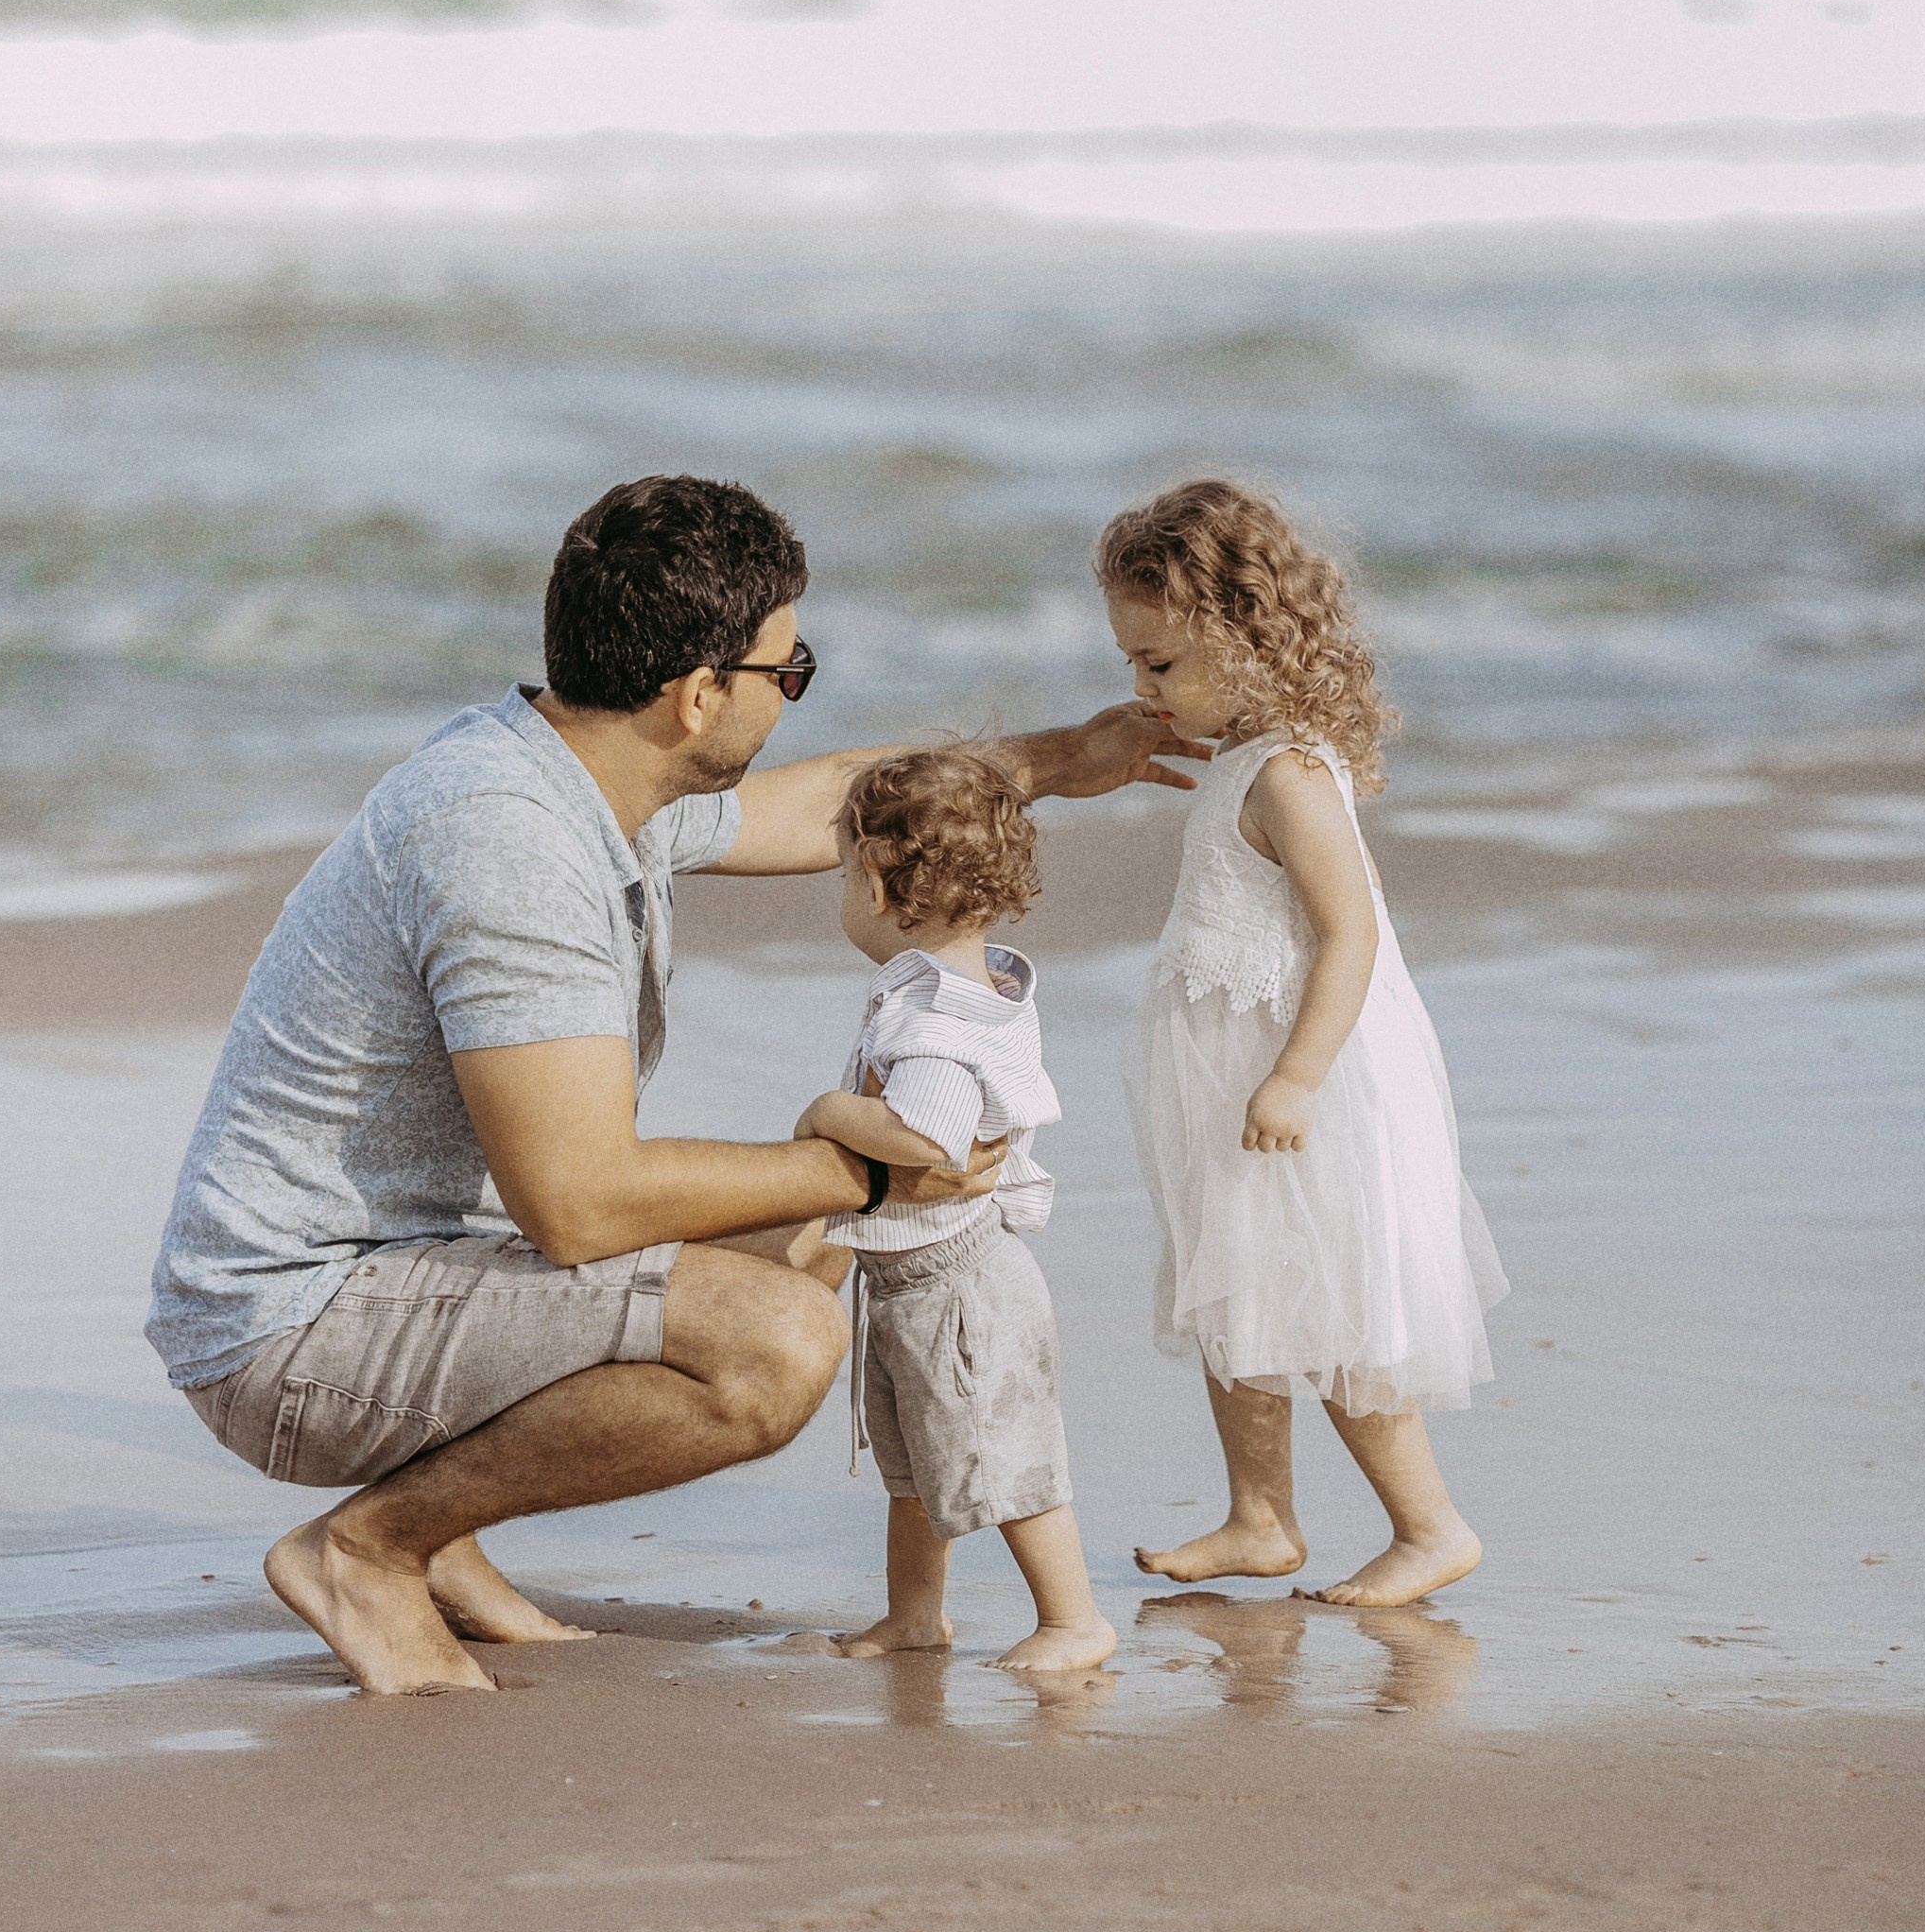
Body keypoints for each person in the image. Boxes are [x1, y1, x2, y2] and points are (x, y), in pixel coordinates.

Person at [146, 473, 1201, 1696]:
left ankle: (441, 1535)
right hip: (293, 1328)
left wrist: (1065, 759)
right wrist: (864, 1163)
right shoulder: (515, 849)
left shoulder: (595, 778)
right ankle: (370, 1550)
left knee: (808, 1233)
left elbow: (832, 804)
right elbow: (580, 1206)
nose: (799, 697)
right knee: (779, 1340)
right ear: (699, 695)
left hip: (412, 1260)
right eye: (789, 675)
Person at [1097, 477, 1507, 1608]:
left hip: (1296, 1084)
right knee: (1237, 1292)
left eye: (1162, 665)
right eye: (1132, 662)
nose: (1142, 684)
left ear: (1249, 637)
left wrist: (1295, 1076)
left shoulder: (1289, 773)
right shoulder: (1242, 753)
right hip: (1232, 1082)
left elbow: (1350, 935)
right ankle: (1260, 1518)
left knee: (1329, 1303)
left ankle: (1430, 1527)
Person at [794, 747, 1113, 1674]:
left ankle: (1073, 1620)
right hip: (916, 1277)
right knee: (916, 1473)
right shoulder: (967, 990)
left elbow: (927, 1136)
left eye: (848, 874)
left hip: (958, 1289)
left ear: (889, 885)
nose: (845, 896)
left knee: (1003, 1456)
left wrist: (827, 1114)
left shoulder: (936, 1028)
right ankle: (915, 1617)